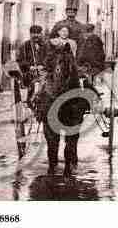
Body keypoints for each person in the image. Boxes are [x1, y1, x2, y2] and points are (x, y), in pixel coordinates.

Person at [42, 25, 85, 177]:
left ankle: (70, 162)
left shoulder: (72, 46)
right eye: (62, 31)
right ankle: (52, 162)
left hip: (70, 74)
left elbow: (77, 59)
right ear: (58, 33)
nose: (64, 33)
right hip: (53, 81)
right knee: (42, 89)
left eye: (67, 31)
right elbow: (47, 64)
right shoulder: (51, 47)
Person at [17, 25, 46, 104]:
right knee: (29, 83)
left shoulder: (46, 45)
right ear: (30, 34)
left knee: (45, 81)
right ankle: (30, 101)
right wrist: (29, 67)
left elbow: (50, 58)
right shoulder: (24, 46)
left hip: (43, 72)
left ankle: (40, 99)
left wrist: (43, 65)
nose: (36, 35)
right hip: (28, 72)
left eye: (38, 33)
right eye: (34, 33)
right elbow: (20, 60)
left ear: (41, 34)